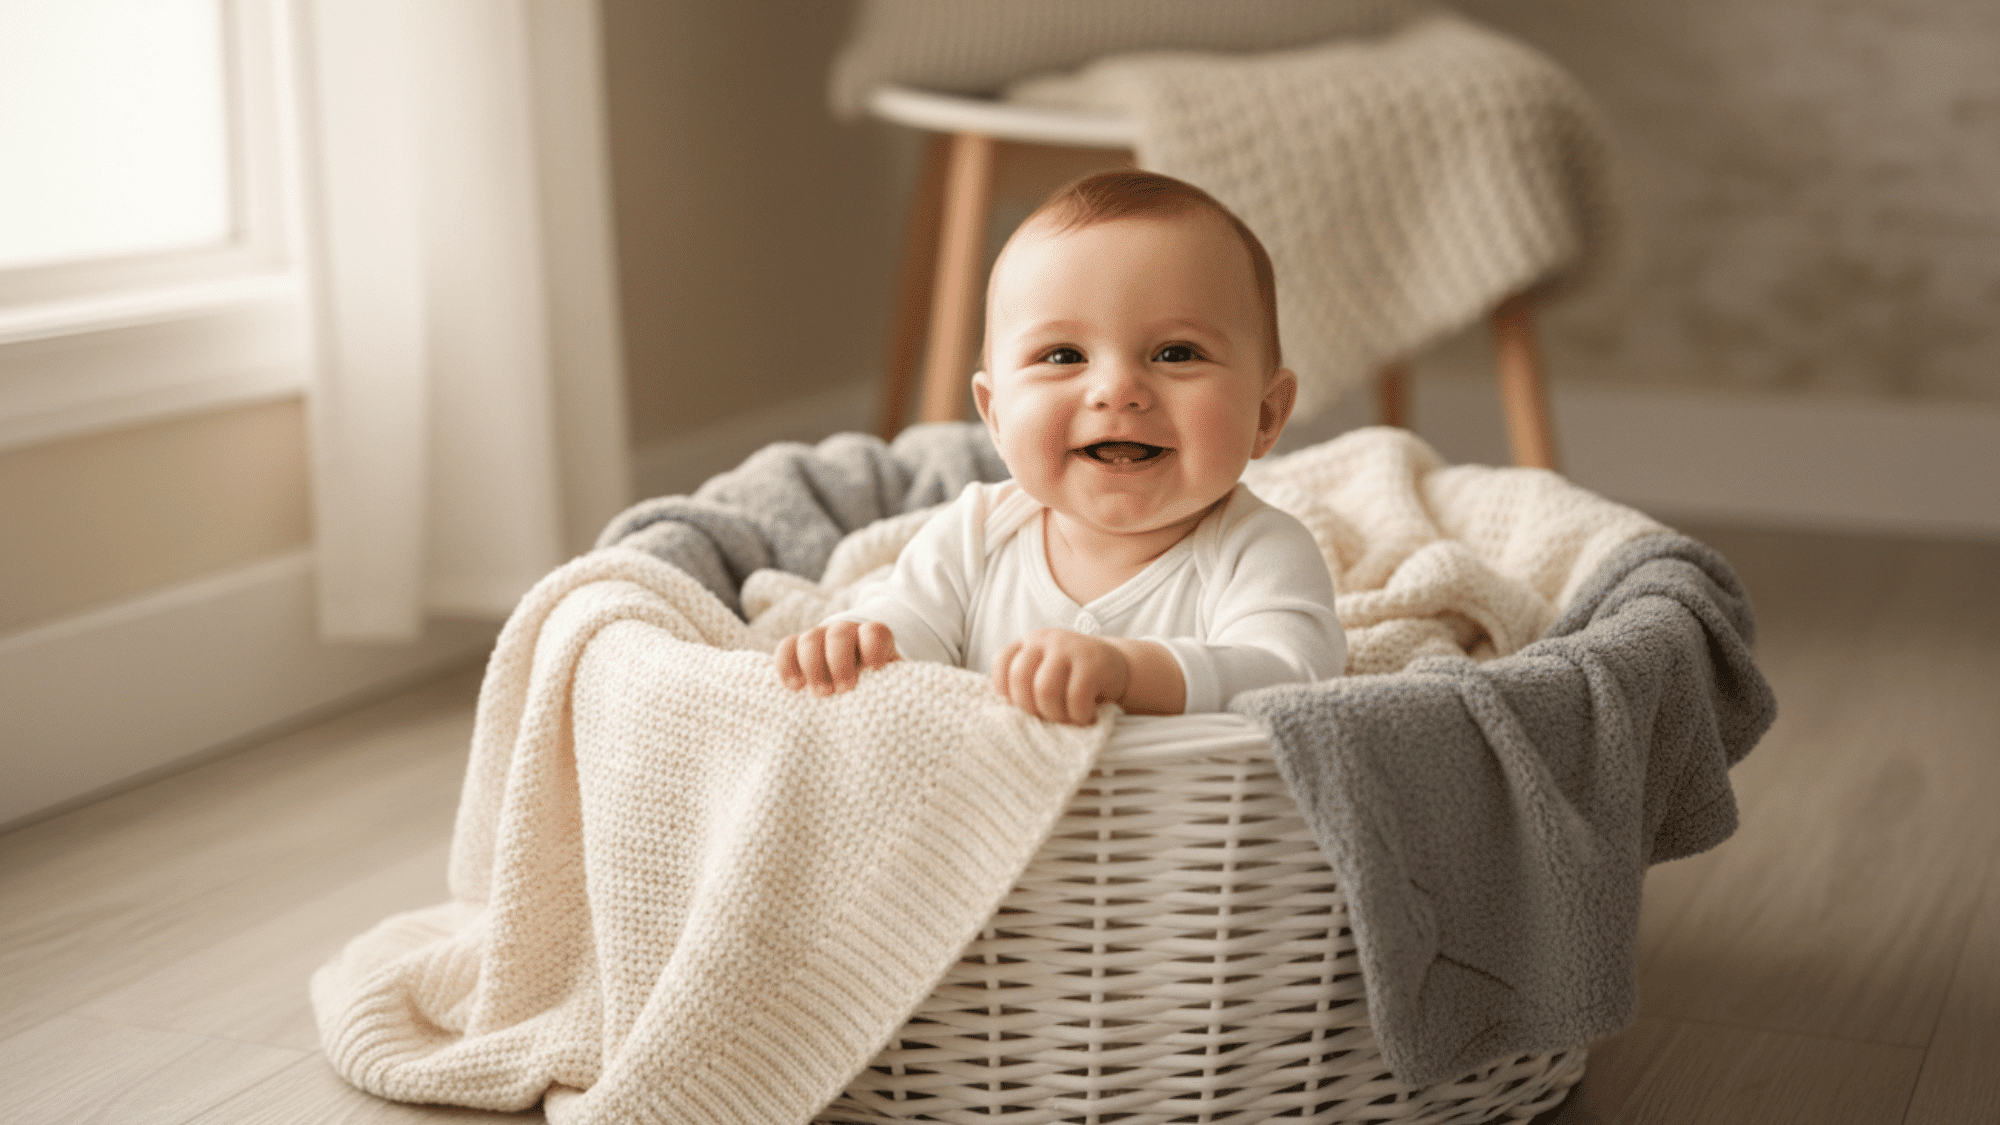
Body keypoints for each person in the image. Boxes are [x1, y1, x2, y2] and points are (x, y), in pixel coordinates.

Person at [776, 170, 1344, 724]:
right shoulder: (975, 534)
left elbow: (1293, 676)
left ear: (1266, 414)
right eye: (1064, 356)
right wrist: (859, 643)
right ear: (996, 415)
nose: (1118, 390)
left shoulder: (1260, 550)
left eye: (1176, 354)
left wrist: (1129, 671)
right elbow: (909, 623)